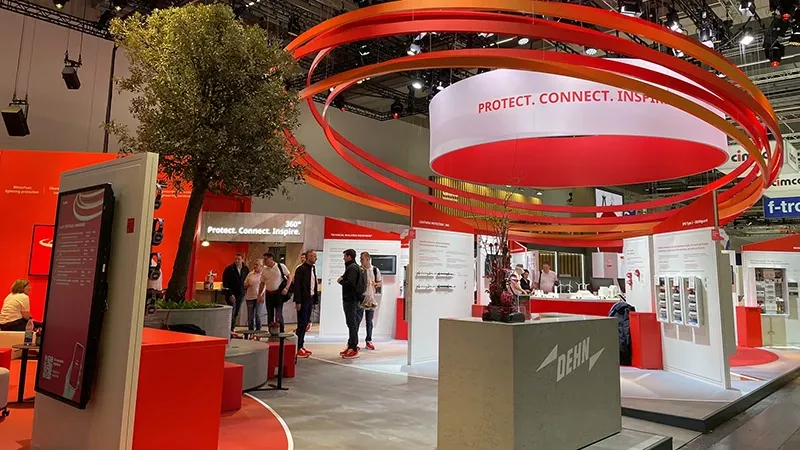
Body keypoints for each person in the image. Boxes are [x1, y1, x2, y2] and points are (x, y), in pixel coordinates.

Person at [293, 250, 318, 358]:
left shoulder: (313, 268)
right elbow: (297, 287)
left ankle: (301, 345)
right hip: (303, 300)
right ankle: (298, 347)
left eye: (315, 256)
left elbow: (314, 284)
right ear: (307, 257)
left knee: (306, 323)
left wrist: (315, 300)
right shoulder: (301, 269)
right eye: (313, 256)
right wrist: (298, 301)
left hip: (310, 299)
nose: (315, 258)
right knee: (301, 324)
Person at [259, 252, 291, 333]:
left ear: (271, 259)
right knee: (270, 314)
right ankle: (271, 332)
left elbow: (289, 277)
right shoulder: (264, 270)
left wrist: (286, 288)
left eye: (266, 259)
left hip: (278, 294)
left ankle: (281, 332)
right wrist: (259, 295)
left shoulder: (281, 266)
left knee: (278, 314)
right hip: (269, 294)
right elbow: (262, 283)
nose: (264, 261)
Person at [337, 248, 361, 359]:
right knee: (352, 323)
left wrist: (341, 281)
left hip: (351, 300)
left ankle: (353, 348)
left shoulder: (352, 268)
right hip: (352, 299)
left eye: (345, 256)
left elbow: (350, 283)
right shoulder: (353, 267)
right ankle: (351, 345)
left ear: (349, 257)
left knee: (352, 324)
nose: (343, 258)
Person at [357, 252, 382, 351]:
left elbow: (380, 283)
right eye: (360, 259)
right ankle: (354, 342)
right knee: (357, 321)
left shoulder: (375, 270)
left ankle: (369, 340)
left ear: (368, 259)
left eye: (362, 259)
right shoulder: (359, 269)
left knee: (369, 321)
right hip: (361, 298)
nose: (361, 261)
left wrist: (375, 284)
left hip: (371, 298)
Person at [222, 253, 249, 334]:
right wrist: (230, 294)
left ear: (242, 260)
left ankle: (232, 328)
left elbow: (247, 280)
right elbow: (225, 283)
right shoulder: (229, 269)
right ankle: (230, 329)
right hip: (231, 293)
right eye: (235, 259)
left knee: (236, 311)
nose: (237, 260)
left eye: (238, 259)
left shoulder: (245, 269)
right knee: (232, 311)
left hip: (240, 293)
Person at [243, 258, 265, 331]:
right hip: (250, 297)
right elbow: (244, 285)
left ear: (261, 266)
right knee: (250, 316)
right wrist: (247, 285)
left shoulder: (264, 275)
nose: (255, 266)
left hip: (259, 297)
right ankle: (250, 331)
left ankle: (258, 330)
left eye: (257, 265)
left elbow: (266, 286)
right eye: (254, 264)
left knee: (258, 315)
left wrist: (262, 295)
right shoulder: (250, 274)